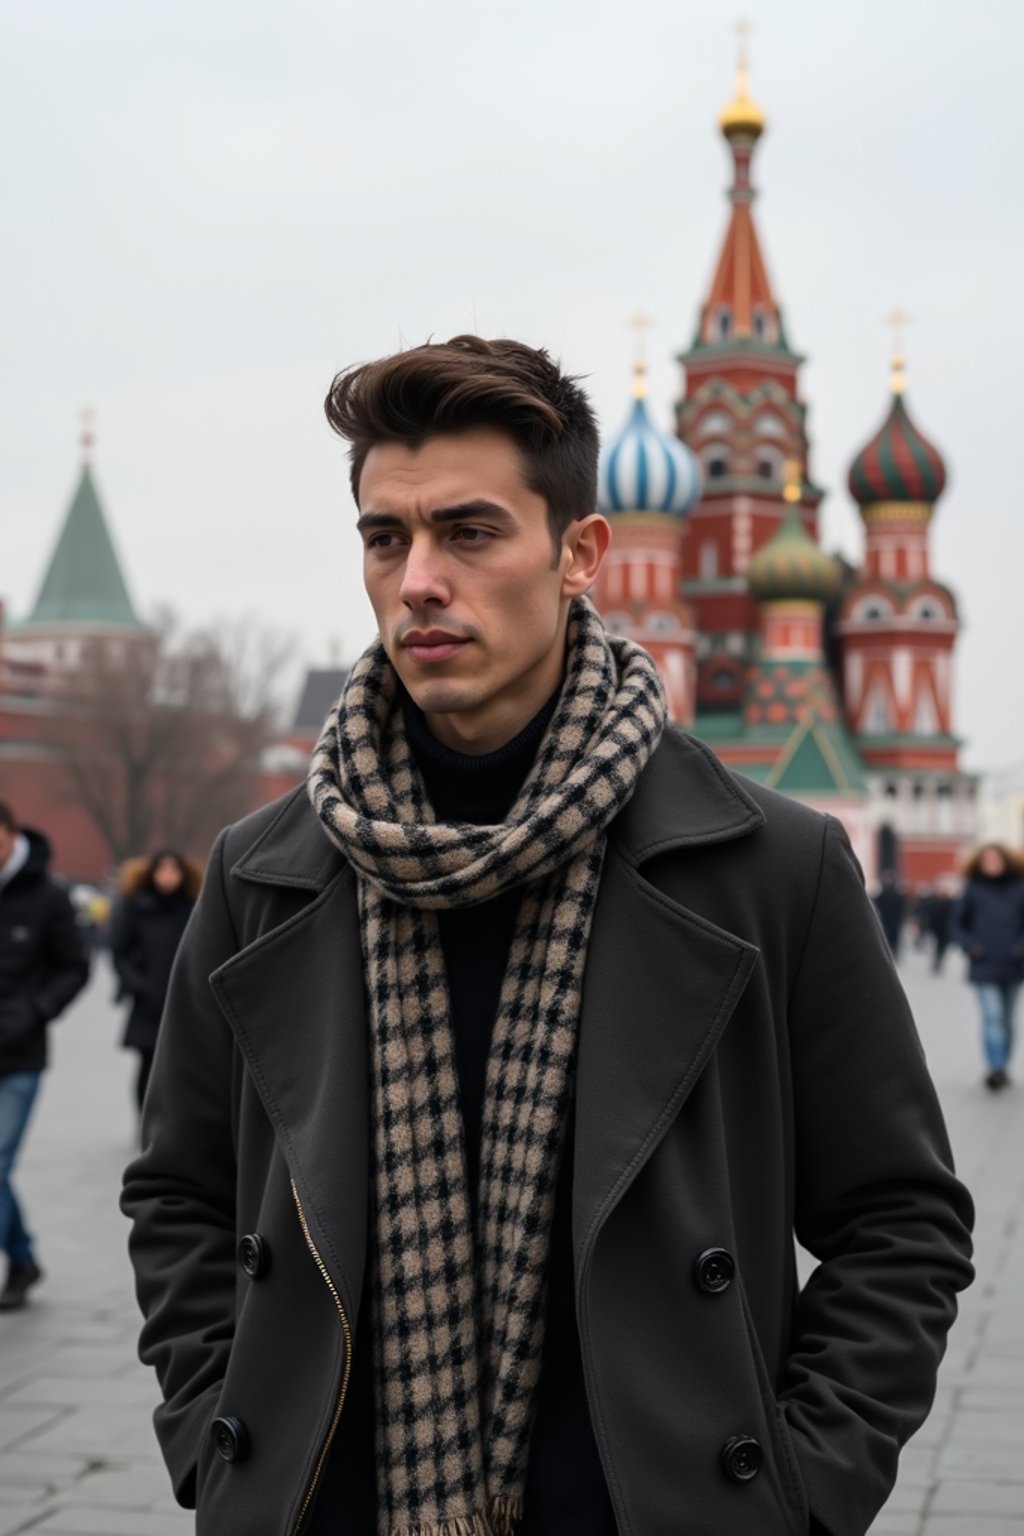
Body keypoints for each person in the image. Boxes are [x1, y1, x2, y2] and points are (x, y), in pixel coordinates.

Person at [122, 337, 973, 1536]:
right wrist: (222, 1447)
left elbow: (900, 1220)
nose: (419, 578)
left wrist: (793, 1496)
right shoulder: (265, 873)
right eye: (385, 537)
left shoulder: (768, 869)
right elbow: (179, 1196)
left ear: (580, 553)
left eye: (469, 533)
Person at [0, 802, 90, 1309]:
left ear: (12, 835)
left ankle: (21, 1261)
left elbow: (74, 967)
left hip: (19, 1056)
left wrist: (35, 1012)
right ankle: (23, 1258)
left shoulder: (49, 895)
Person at [110, 849, 202, 1114]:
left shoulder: (193, 908)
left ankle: (172, 1123)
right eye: (162, 870)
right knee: (148, 1063)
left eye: (173, 870)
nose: (167, 876)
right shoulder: (136, 906)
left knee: (181, 1065)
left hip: (184, 998)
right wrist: (137, 984)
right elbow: (119, 951)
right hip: (148, 999)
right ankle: (145, 1121)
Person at [951, 843, 1024, 1090]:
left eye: (996, 860)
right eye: (987, 860)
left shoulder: (1019, 888)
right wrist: (972, 946)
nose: (991, 864)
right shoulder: (973, 889)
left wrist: (1020, 946)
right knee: (992, 1016)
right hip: (983, 963)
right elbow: (958, 925)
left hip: (1014, 964)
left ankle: (1003, 1063)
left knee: (1006, 1019)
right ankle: (995, 1068)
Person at [873, 870, 906, 958]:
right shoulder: (897, 893)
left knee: (887, 936)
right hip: (893, 918)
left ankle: (889, 952)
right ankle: (893, 952)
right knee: (893, 937)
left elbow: (877, 902)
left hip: (888, 918)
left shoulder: (885, 892)